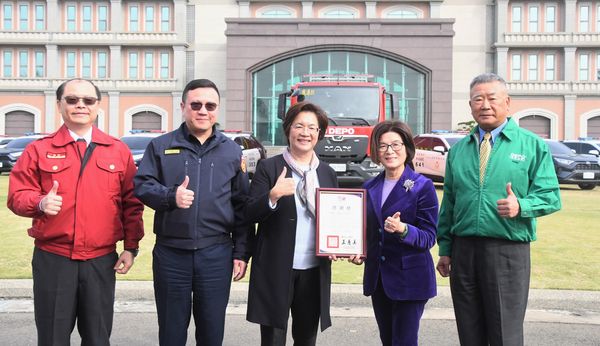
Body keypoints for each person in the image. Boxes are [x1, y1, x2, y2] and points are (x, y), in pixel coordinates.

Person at [7, 78, 144, 345]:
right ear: (60, 105)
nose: (80, 105)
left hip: (100, 261)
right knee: (52, 337)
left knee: (97, 337)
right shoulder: (39, 149)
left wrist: (131, 247)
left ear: (97, 106)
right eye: (72, 100)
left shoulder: (118, 150)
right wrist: (40, 203)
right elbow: (17, 195)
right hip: (54, 260)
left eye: (88, 100)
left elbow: (131, 203)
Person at [436, 73, 561, 346]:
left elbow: (551, 196)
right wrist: (445, 249)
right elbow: (450, 204)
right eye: (477, 99)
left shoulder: (531, 145)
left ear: (507, 103)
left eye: (492, 98)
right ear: (470, 106)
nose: (485, 105)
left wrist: (522, 206)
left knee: (505, 332)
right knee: (469, 332)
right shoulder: (459, 151)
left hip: (507, 252)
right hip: (464, 250)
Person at [134, 78, 253, 346]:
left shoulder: (232, 151)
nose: (203, 110)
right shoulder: (161, 146)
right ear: (183, 106)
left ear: (217, 109)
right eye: (196, 104)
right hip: (171, 254)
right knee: (171, 332)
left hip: (216, 254)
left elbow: (242, 206)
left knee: (211, 332)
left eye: (210, 105)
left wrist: (241, 253)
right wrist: (170, 196)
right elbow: (142, 185)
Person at [245, 102, 338, 346]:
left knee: (306, 338)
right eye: (299, 126)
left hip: (313, 269)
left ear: (319, 133)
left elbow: (336, 220)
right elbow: (248, 213)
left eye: (312, 128)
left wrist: (339, 244)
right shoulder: (270, 168)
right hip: (276, 268)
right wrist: (272, 196)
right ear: (288, 130)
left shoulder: (327, 173)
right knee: (273, 338)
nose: (305, 133)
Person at [349, 121, 438, 346]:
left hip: (410, 280)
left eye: (395, 145)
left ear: (407, 148)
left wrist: (403, 229)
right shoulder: (369, 187)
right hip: (379, 279)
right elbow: (368, 232)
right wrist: (359, 251)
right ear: (376, 151)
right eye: (383, 146)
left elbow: (428, 237)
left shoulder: (422, 186)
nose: (389, 151)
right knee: (387, 340)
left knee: (404, 342)